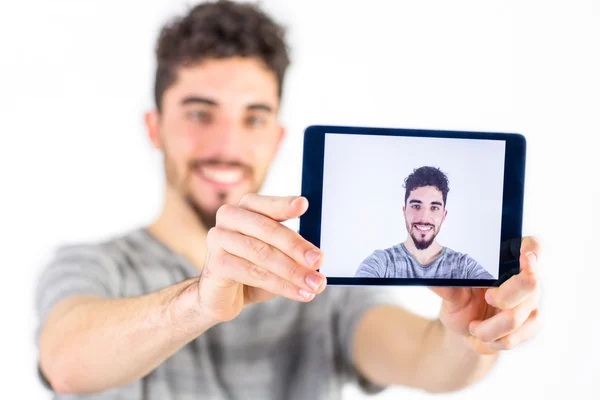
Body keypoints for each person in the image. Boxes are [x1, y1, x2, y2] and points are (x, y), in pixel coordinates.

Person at [35, 1, 542, 399]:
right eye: (199, 113)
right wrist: (198, 302)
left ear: (277, 138)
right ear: (155, 127)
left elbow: (426, 360)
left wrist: (470, 331)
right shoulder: (93, 265)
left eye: (253, 117)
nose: (228, 145)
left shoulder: (319, 276)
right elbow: (65, 364)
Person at [355, 166, 494, 279]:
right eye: (416, 206)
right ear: (404, 211)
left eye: (434, 208)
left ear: (444, 215)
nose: (424, 217)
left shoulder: (464, 266)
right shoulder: (381, 262)